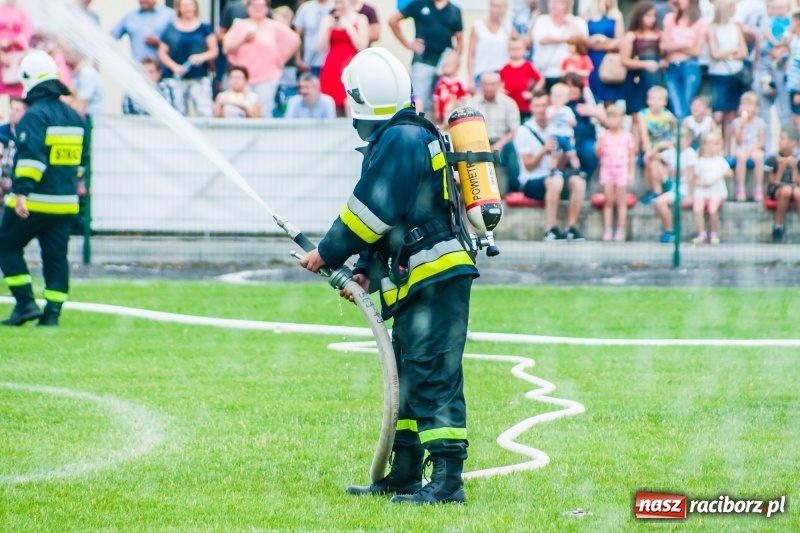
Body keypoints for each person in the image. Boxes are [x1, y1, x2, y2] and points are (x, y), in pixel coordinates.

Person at [298, 47, 478, 505]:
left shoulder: (399, 139)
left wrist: (327, 251)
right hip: (421, 278)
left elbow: (371, 211)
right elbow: (393, 219)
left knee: (433, 372)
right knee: (409, 375)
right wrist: (361, 271)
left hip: (434, 277)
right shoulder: (403, 136)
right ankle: (404, 473)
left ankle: (447, 482)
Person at [0, 50, 87, 327]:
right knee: (56, 257)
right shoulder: (74, 116)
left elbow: (31, 159)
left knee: (6, 246)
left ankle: (25, 303)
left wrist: (21, 193)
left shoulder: (35, 116)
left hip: (35, 201)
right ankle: (52, 315)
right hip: (66, 202)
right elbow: (81, 162)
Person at [515, 90, 587, 241]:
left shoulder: (558, 127)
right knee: (556, 180)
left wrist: (566, 151)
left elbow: (560, 165)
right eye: (537, 105)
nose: (541, 109)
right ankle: (551, 228)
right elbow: (528, 165)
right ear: (531, 107)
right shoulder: (524, 131)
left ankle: (571, 228)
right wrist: (544, 150)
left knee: (578, 181)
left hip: (554, 175)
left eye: (544, 105)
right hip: (532, 180)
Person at [223, 0, 301, 117]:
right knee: (241, 110)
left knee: (264, 110)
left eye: (261, 6)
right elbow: (226, 48)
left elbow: (295, 40)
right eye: (254, 5)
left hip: (267, 77)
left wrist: (281, 60)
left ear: (266, 8)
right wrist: (243, 39)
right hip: (243, 78)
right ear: (248, 8)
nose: (257, 9)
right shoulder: (240, 25)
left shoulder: (274, 25)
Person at [388, 0, 464, 115]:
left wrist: (453, 61)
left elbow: (460, 40)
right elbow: (393, 20)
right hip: (422, 62)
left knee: (441, 106)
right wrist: (407, 43)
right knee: (419, 103)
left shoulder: (454, 10)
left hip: (444, 66)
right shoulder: (419, 4)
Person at [157, 0, 218, 118]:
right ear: (179, 8)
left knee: (204, 111)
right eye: (184, 6)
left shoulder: (204, 28)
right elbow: (162, 53)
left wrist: (201, 57)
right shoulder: (170, 28)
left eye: (190, 5)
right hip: (177, 78)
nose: (188, 8)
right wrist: (175, 67)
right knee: (177, 112)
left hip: (199, 76)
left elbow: (214, 50)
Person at [466, 72, 520, 195]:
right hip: (478, 142)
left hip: (502, 142)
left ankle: (512, 188)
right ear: (481, 85)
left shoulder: (509, 103)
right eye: (486, 84)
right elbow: (468, 128)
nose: (489, 87)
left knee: (510, 148)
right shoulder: (472, 103)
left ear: (499, 85)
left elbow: (513, 130)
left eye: (492, 84)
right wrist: (483, 145)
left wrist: (499, 145)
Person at [620, 1, 664, 153]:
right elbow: (624, 60)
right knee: (637, 116)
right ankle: (635, 150)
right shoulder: (631, 36)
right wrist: (645, 64)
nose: (651, 19)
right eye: (648, 15)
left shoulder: (659, 35)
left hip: (655, 78)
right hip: (637, 79)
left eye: (653, 16)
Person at [706, 0, 748, 152]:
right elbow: (714, 54)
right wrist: (732, 50)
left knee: (730, 115)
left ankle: (727, 149)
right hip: (719, 75)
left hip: (734, 74)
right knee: (717, 115)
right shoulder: (712, 29)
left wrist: (726, 53)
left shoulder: (735, 27)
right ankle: (714, 146)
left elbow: (744, 52)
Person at [318, 0, 369, 116]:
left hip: (351, 64)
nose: (339, 6)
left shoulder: (361, 18)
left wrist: (349, 28)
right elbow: (320, 47)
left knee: (351, 102)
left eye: (341, 3)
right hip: (332, 65)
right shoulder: (328, 18)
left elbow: (362, 46)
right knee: (332, 103)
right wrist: (327, 28)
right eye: (336, 3)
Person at [661, 0, 709, 119]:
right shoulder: (670, 18)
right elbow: (663, 45)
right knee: (676, 106)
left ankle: (685, 136)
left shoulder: (701, 22)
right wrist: (685, 44)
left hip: (690, 66)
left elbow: (696, 51)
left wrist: (674, 46)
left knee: (687, 106)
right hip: (672, 67)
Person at [530, 0, 588, 91]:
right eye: (550, 1)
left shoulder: (577, 21)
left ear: (566, 4)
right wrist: (566, 39)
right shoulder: (541, 20)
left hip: (569, 74)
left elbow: (581, 41)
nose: (552, 4)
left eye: (557, 2)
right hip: (544, 73)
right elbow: (542, 39)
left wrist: (570, 22)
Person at [595, 104, 634, 241]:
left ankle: (621, 230)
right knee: (608, 201)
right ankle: (607, 229)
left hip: (621, 169)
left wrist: (631, 173)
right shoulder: (604, 135)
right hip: (607, 169)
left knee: (621, 202)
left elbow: (631, 156)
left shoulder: (627, 136)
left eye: (615, 117)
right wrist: (599, 144)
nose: (612, 121)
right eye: (609, 118)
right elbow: (598, 154)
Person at [655, 124, 697, 242]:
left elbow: (691, 176)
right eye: (675, 136)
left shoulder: (690, 154)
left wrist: (690, 195)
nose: (677, 139)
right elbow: (649, 158)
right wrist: (659, 146)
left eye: (681, 136)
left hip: (683, 190)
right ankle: (658, 190)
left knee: (660, 202)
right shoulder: (671, 152)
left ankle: (670, 230)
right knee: (655, 163)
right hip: (672, 186)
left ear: (689, 139)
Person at [691, 129, 730, 244]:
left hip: (716, 191)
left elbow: (729, 173)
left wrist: (720, 175)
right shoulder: (699, 161)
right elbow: (694, 178)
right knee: (698, 208)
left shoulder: (720, 161)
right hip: (702, 190)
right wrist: (702, 184)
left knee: (713, 210)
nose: (715, 147)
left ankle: (713, 234)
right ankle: (701, 234)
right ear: (704, 146)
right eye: (712, 144)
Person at [583, 0, 625, 106]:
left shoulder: (617, 16)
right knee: (592, 95)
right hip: (591, 60)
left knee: (609, 95)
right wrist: (595, 42)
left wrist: (600, 40)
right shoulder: (587, 15)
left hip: (609, 60)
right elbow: (584, 41)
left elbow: (619, 42)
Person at [640, 85, 677, 203]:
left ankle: (655, 192)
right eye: (653, 99)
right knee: (650, 160)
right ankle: (663, 186)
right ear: (647, 100)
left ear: (665, 102)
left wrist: (668, 144)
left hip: (666, 148)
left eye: (659, 99)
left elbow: (678, 134)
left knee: (655, 160)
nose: (655, 102)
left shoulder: (668, 116)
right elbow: (644, 137)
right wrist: (649, 151)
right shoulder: (643, 115)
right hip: (652, 148)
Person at [466, 0, 511, 94]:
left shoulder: (508, 27)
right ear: (490, 6)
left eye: (500, 6)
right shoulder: (478, 26)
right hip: (480, 73)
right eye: (495, 6)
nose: (497, 9)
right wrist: (470, 79)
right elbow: (470, 54)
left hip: (500, 74)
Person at [766, 129, 800, 243]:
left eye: (783, 139)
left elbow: (797, 182)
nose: (780, 141)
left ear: (793, 143)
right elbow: (773, 182)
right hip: (778, 189)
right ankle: (778, 226)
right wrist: (780, 169)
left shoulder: (797, 159)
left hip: (794, 188)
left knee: (797, 192)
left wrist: (794, 168)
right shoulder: (773, 158)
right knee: (786, 191)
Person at [731, 91, 766, 201]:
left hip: (754, 148)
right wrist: (741, 125)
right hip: (742, 148)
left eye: (749, 104)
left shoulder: (760, 122)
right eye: (743, 104)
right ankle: (740, 187)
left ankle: (758, 188)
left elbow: (761, 142)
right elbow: (738, 141)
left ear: (756, 108)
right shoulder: (737, 122)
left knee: (759, 156)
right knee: (741, 156)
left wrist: (753, 149)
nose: (745, 107)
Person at [499, 37, 542, 122]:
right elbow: (499, 83)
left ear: (523, 50)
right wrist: (501, 91)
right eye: (512, 49)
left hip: (524, 106)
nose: (515, 51)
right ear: (508, 50)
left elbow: (540, 80)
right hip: (509, 105)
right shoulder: (505, 68)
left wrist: (532, 93)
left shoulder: (528, 66)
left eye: (518, 48)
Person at [545, 83, 582, 178]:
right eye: (555, 96)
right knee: (555, 154)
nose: (558, 99)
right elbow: (548, 118)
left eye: (561, 97)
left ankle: (577, 169)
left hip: (566, 136)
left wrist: (571, 121)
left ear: (567, 98)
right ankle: (553, 169)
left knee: (572, 153)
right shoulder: (550, 109)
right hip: (555, 135)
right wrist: (556, 109)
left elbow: (574, 123)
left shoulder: (567, 110)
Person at [0, 0, 32, 99]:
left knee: (14, 96)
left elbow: (26, 35)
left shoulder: (22, 13)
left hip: (14, 59)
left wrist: (11, 42)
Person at [293, 0, 333, 77]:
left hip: (331, 62)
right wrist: (298, 60)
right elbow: (296, 36)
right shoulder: (305, 8)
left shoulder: (336, 6)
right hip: (309, 63)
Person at [432, 51, 468, 125]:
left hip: (453, 116)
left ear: (457, 66)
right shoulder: (441, 81)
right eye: (444, 65)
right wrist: (436, 112)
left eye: (448, 65)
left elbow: (462, 100)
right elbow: (436, 98)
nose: (445, 68)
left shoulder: (460, 83)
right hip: (441, 117)